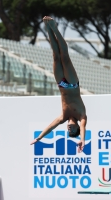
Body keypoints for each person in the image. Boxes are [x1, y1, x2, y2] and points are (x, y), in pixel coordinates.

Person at [30, 16, 87, 153]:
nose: (69, 129)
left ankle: (48, 28)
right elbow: (84, 128)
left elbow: (51, 127)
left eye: (68, 130)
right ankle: (55, 28)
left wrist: (39, 138)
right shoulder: (82, 116)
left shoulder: (63, 117)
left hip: (61, 84)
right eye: (72, 130)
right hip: (73, 84)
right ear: (77, 127)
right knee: (65, 57)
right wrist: (82, 140)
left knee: (55, 55)